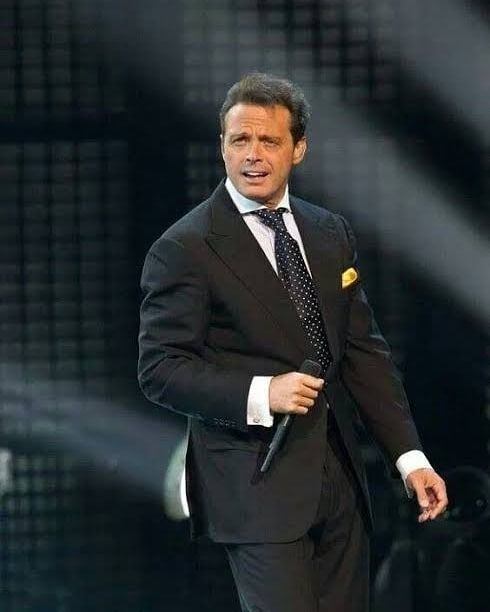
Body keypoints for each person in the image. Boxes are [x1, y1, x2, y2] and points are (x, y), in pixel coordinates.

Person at [138, 73, 448, 612]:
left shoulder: (329, 233)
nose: (253, 155)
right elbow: (160, 369)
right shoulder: (186, 247)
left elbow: (363, 355)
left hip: (341, 480)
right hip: (255, 484)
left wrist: (409, 457)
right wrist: (263, 392)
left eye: (269, 140)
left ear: (298, 148)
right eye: (240, 140)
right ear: (222, 145)